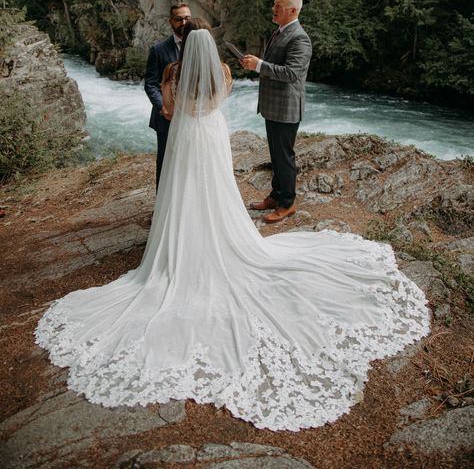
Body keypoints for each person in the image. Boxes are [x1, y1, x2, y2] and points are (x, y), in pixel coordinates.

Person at [36, 24, 430, 432]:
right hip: (212, 134)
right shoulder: (223, 73)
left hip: (187, 137)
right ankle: (222, 237)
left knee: (183, 191)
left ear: (187, 47)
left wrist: (180, 104)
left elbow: (169, 111)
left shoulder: (172, 73)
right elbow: (220, 103)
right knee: (217, 189)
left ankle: (180, 245)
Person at [241, 0, 312, 223]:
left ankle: (287, 203)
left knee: (284, 157)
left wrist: (259, 65)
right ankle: (275, 195)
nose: (273, 8)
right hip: (273, 107)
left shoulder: (300, 38)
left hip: (286, 108)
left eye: (278, 5)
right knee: (276, 156)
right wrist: (256, 64)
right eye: (274, 4)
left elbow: (292, 73)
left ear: (293, 10)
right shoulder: (279, 32)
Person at [144, 2, 191, 189]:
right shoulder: (158, 49)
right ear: (171, 21)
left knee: (189, 162)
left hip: (191, 116)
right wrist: (162, 107)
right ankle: (162, 209)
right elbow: (150, 83)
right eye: (179, 19)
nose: (184, 22)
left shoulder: (199, 46)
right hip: (166, 117)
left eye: (187, 18)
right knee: (165, 163)